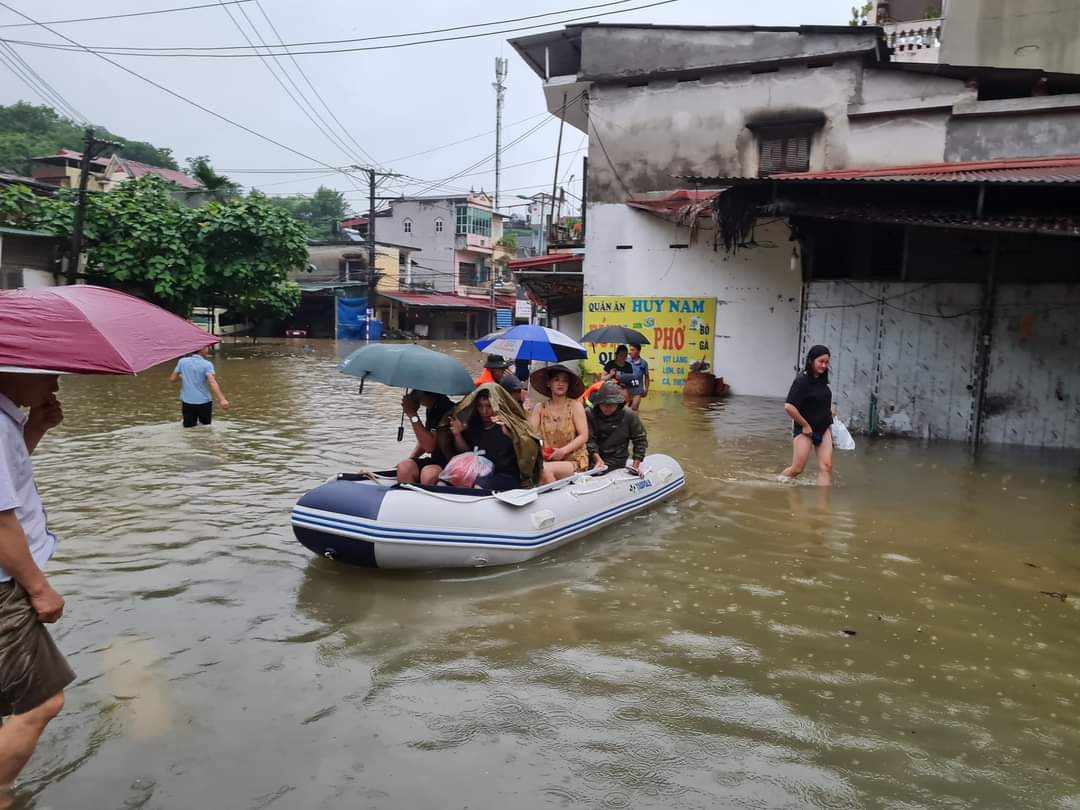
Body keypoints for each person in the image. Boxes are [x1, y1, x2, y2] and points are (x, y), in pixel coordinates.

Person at [0, 372, 74, 807]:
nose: (56, 387)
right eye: (48, 374)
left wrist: (33, 430)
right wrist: (39, 588)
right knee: (41, 703)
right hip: (5, 585)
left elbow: (7, 479)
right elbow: (1, 521)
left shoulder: (7, 421)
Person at [446, 385, 542, 491]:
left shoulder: (509, 425)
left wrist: (510, 435)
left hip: (505, 476)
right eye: (480, 406)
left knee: (479, 486)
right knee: (445, 481)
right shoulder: (474, 425)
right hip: (477, 471)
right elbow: (466, 452)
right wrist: (457, 434)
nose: (484, 411)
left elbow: (528, 450)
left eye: (489, 406)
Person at [781, 345, 834, 486]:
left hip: (823, 429)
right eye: (821, 361)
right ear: (811, 361)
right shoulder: (801, 381)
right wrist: (805, 425)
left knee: (826, 467)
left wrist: (831, 415)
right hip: (805, 430)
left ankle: (822, 507)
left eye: (827, 362)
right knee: (797, 469)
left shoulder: (823, 381)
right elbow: (789, 406)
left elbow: (820, 402)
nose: (824, 365)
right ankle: (779, 483)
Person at [529, 365, 590, 484]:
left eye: (565, 381)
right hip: (547, 458)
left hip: (573, 459)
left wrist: (563, 451)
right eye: (556, 380)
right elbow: (530, 435)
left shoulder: (575, 406)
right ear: (548, 383)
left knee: (544, 470)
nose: (560, 383)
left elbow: (584, 436)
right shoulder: (539, 408)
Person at [587, 381, 648, 474]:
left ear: (618, 403)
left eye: (611, 405)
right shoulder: (590, 414)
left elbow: (640, 440)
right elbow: (589, 440)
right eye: (603, 404)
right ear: (598, 402)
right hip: (593, 457)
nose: (607, 408)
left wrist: (635, 465)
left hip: (617, 459)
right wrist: (597, 459)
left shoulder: (629, 415)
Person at [396, 390, 455, 485]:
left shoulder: (445, 409)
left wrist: (412, 414)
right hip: (436, 460)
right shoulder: (432, 408)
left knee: (428, 474)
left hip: (451, 462)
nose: (411, 395)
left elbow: (429, 447)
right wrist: (411, 458)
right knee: (404, 467)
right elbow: (425, 439)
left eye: (414, 391)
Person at [169, 346, 229, 427]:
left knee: (188, 428)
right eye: (207, 347)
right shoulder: (207, 364)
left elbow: (172, 379)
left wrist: (184, 377)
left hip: (187, 401)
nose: (208, 349)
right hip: (204, 401)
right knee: (206, 428)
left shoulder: (182, 361)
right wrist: (222, 399)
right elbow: (212, 382)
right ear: (202, 349)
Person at [625, 342, 651, 411]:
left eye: (632, 350)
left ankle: (635, 420)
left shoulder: (644, 363)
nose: (630, 352)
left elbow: (647, 377)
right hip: (627, 390)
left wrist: (646, 389)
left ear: (638, 351)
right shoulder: (626, 361)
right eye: (630, 350)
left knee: (634, 407)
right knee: (626, 409)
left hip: (638, 390)